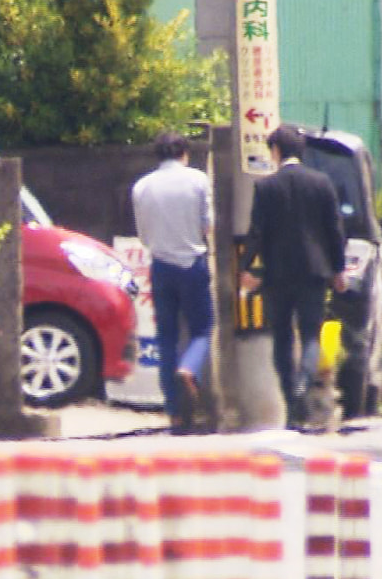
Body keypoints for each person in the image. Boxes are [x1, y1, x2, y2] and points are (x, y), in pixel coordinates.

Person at [239, 125, 347, 431]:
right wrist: (338, 270)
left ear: (276, 151)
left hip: (278, 273)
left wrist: (245, 267)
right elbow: (334, 231)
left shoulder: (266, 187)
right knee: (311, 334)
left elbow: (257, 232)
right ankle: (303, 385)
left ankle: (290, 403)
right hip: (315, 271)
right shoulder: (321, 183)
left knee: (282, 338)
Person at [132, 131, 215, 434]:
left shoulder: (141, 187)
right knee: (203, 329)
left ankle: (174, 416)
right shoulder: (197, 180)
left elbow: (142, 235)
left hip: (161, 267)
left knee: (166, 339)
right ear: (184, 153)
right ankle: (189, 367)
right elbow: (208, 225)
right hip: (192, 264)